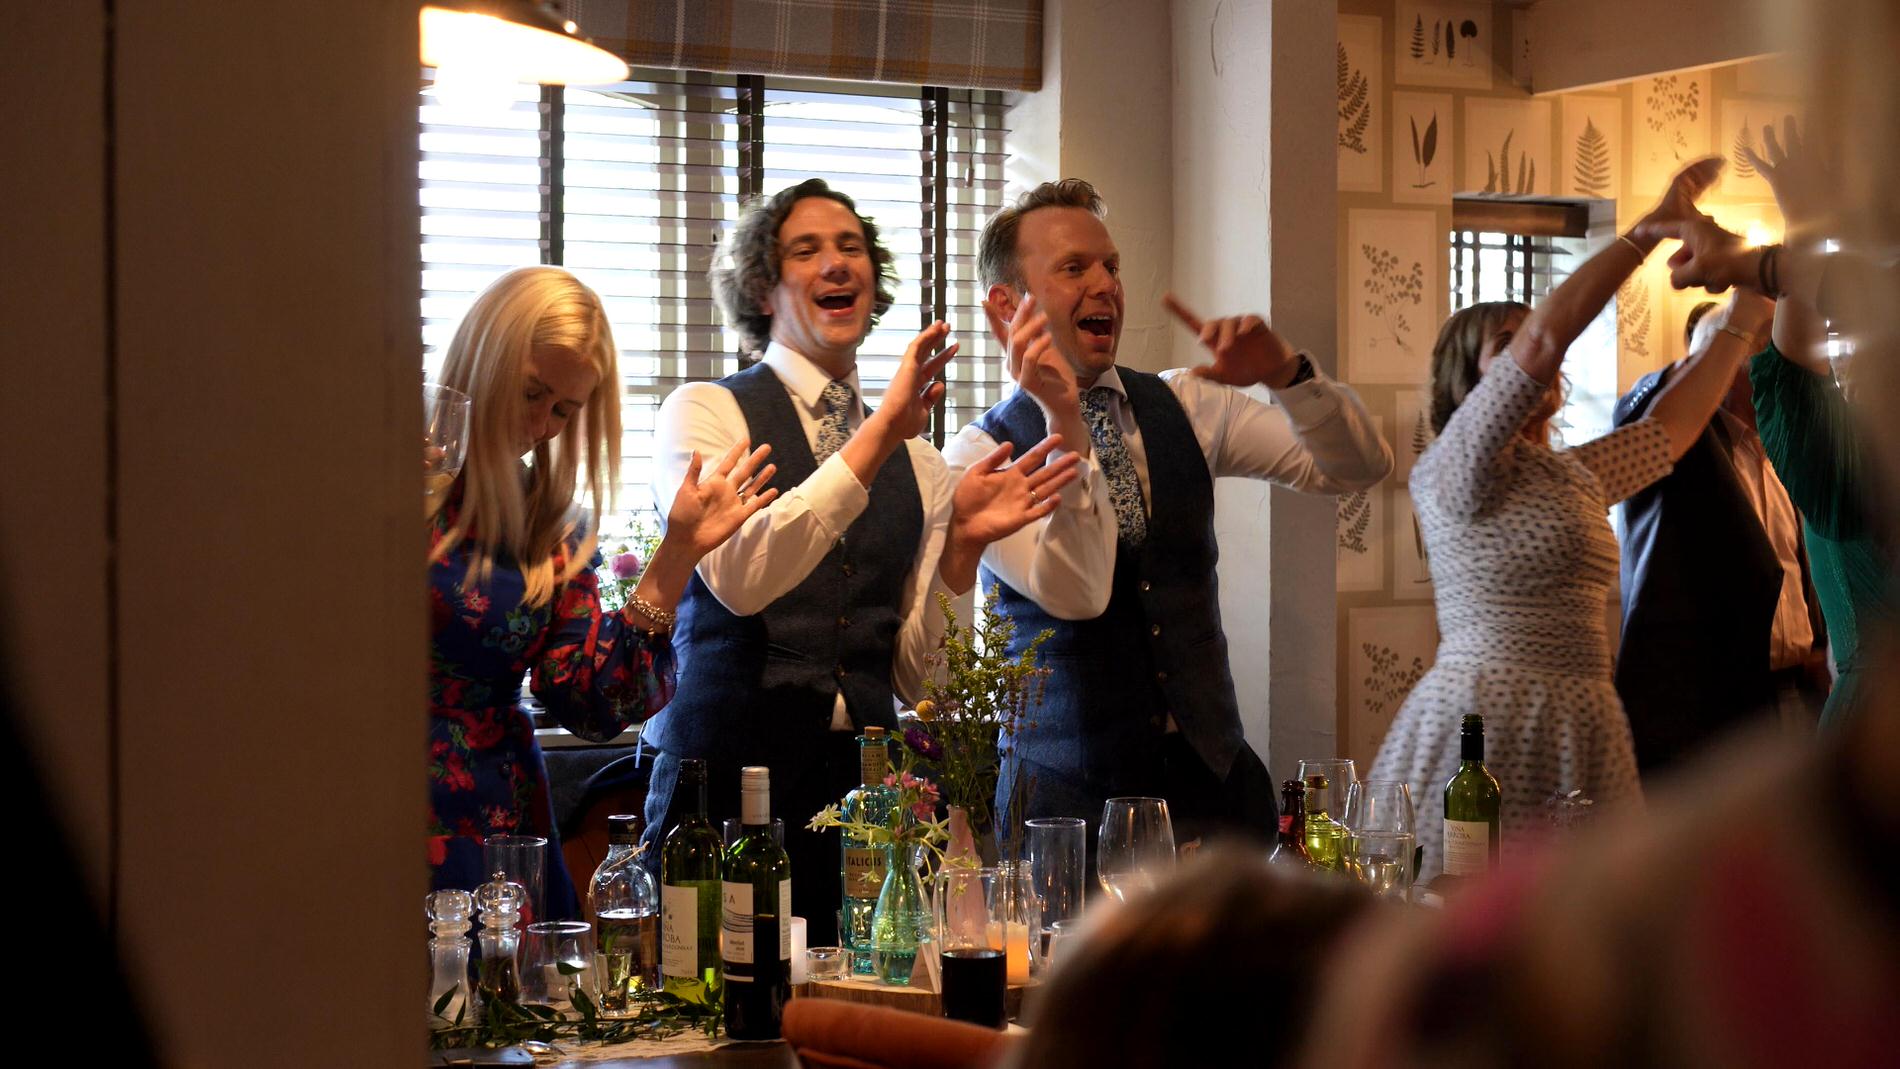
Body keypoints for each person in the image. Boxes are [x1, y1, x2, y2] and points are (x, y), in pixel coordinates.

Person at [642, 179, 1078, 942]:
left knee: (862, 1006)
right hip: (719, 787)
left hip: (867, 803)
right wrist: (878, 435)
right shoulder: (706, 411)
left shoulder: (923, 464)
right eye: (806, 250)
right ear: (762, 286)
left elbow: (921, 680)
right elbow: (740, 580)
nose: (837, 263)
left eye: (851, 247)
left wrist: (963, 550)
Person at [944, 178, 1393, 851]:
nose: (1105, 285)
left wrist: (1289, 374)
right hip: (1064, 813)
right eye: (1074, 268)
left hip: (1215, 789)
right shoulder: (981, 456)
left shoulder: (1189, 403)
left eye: (1112, 266)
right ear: (1007, 306)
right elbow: (1073, 592)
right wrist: (1064, 422)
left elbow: (1356, 467)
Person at [1369, 158, 1773, 881]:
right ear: (1470, 376)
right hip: (1488, 727)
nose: (1534, 353)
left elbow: (1670, 432)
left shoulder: (1569, 476)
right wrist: (1646, 233)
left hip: (1582, 724)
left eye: (1528, 338)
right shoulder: (1455, 468)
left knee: (1581, 931)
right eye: (1507, 345)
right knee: (1473, 916)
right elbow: (1544, 342)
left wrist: (1746, 311)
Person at [426, 266, 775, 917]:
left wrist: (678, 552)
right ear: (482, 354)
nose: (541, 425)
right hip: (363, 789)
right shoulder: (378, 469)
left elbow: (587, 704)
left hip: (496, 818)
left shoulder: (550, 527)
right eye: (532, 392)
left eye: (564, 410)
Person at [1638, 118, 1890, 730]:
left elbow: (1800, 365)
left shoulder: (1848, 461)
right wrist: (1800, 231)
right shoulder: (1845, 456)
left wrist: (1795, 231)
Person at [1612, 301, 1829, 769]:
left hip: (1796, 696)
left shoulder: (1783, 453)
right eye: (1779, 357)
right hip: (1709, 715)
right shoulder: (1681, 454)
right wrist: (1728, 333)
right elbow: (1636, 409)